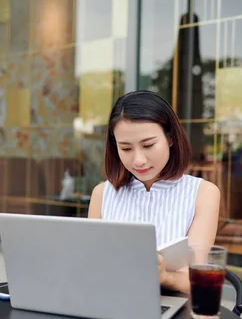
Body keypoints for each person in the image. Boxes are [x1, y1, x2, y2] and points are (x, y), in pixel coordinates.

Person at [88, 90, 221, 294]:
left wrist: (165, 276)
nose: (138, 160)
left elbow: (195, 279)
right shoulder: (102, 194)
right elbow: (91, 267)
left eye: (148, 145)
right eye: (126, 148)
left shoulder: (203, 193)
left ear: (170, 138)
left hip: (173, 309)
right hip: (109, 302)